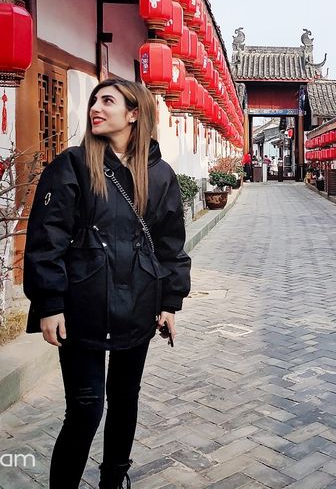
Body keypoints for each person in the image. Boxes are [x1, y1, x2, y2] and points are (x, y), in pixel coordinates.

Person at [23, 79, 191, 489]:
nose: (96, 107)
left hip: (138, 305)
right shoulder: (74, 165)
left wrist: (169, 302)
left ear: (134, 114)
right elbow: (48, 238)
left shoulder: (160, 174)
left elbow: (170, 245)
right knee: (85, 409)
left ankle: (114, 480)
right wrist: (49, 303)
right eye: (95, 100)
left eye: (108, 101)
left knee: (125, 400)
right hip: (82, 309)